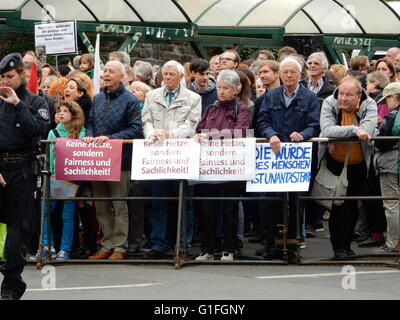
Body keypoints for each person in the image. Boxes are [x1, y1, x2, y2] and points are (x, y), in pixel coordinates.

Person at [256, 56, 320, 262]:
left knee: (294, 202)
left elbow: (315, 124)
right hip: (273, 156)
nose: (289, 75)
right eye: (286, 72)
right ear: (280, 75)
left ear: (300, 75)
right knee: (269, 201)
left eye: (293, 72)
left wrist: (303, 135)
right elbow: (262, 120)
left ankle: (292, 245)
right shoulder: (271, 95)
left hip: (296, 158)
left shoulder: (309, 98)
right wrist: (271, 135)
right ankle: (271, 243)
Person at [0, 53, 50, 300]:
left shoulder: (35, 102)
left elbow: (39, 130)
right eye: (1, 77)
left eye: (10, 76)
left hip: (21, 169)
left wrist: (17, 104)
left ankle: (11, 285)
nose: (5, 81)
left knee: (18, 229)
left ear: (21, 74)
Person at [141, 60, 201, 259]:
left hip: (181, 154)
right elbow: (146, 120)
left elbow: (191, 125)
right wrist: (152, 134)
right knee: (158, 200)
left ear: (180, 76)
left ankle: (183, 243)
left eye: (171, 74)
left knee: (184, 200)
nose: (166, 77)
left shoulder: (193, 98)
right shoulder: (151, 96)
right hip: (158, 156)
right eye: (164, 74)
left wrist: (170, 134)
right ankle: (159, 243)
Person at [84, 60, 142, 260]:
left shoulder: (130, 100)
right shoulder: (98, 98)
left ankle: (120, 247)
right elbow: (90, 122)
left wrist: (111, 138)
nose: (106, 74)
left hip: (121, 159)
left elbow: (135, 129)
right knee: (101, 204)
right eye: (104, 71)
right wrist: (90, 135)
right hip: (98, 160)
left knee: (119, 204)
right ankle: (107, 243)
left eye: (111, 71)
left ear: (121, 76)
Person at [194, 69, 249, 261]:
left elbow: (240, 132)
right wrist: (198, 135)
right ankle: (207, 249)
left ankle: (229, 248)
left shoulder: (240, 108)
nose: (221, 91)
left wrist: (210, 136)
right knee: (208, 209)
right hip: (210, 167)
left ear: (235, 90)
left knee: (229, 209)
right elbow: (199, 128)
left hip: (230, 167)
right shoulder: (211, 108)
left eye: (226, 88)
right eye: (219, 87)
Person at [319, 76, 377, 260]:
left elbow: (367, 130)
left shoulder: (370, 105)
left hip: (359, 163)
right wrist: (353, 130)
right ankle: (338, 247)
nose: (343, 98)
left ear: (359, 97)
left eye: (349, 95)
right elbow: (327, 129)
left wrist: (350, 132)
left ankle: (347, 244)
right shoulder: (329, 102)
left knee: (353, 204)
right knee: (338, 204)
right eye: (341, 94)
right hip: (335, 162)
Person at [30, 100, 85, 261]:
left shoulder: (82, 133)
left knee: (67, 215)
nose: (61, 113)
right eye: (60, 110)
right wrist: (52, 175)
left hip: (72, 178)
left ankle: (65, 248)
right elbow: (49, 158)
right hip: (54, 177)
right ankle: (47, 246)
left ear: (74, 115)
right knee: (46, 212)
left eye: (65, 111)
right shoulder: (53, 132)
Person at [373, 82, 400, 253]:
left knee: (392, 205)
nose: (386, 105)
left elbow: (382, 143)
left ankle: (394, 243)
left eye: (387, 100)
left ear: (393, 97)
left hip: (391, 164)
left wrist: (377, 129)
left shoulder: (392, 117)